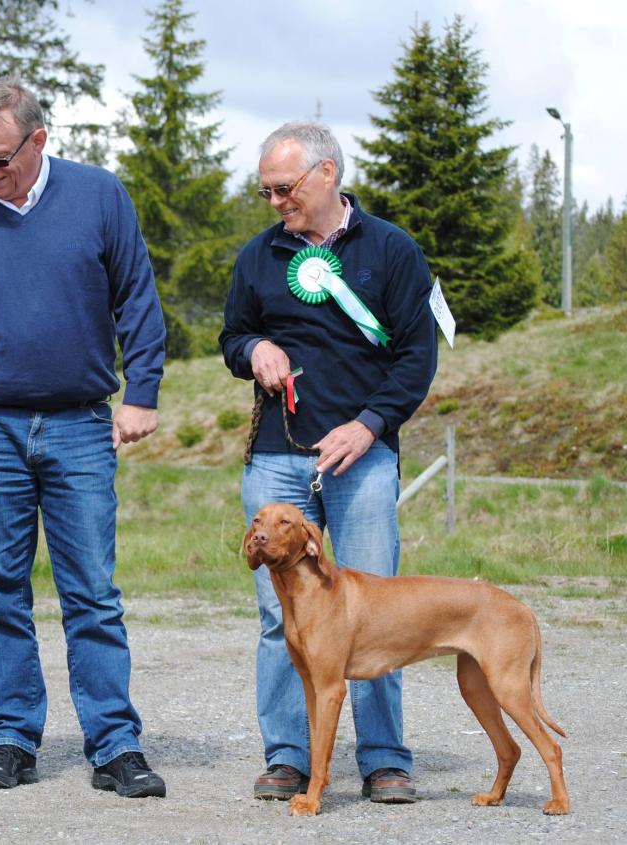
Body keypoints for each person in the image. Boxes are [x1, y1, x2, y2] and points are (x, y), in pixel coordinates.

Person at [0, 77, 168, 798]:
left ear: (38, 140)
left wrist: (140, 392)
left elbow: (137, 298)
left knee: (91, 592)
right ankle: (13, 735)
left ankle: (114, 744)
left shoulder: (99, 196)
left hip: (80, 422)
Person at [218, 121, 438, 804]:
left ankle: (382, 759)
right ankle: (286, 756)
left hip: (361, 460)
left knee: (378, 614)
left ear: (325, 174)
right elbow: (230, 336)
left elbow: (416, 355)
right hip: (277, 461)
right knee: (275, 617)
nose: (274, 201)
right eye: (265, 191)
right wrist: (252, 350)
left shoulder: (392, 251)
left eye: (282, 188)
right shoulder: (258, 256)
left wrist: (369, 425)